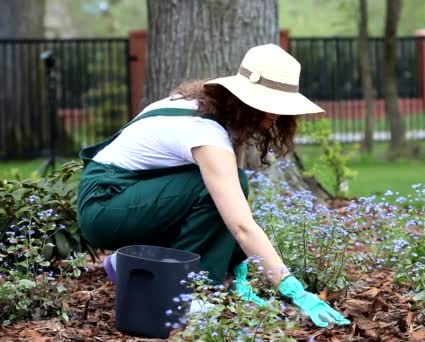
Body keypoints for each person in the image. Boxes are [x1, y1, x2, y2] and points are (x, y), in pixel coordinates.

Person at [77, 43, 350, 328]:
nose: (275, 119)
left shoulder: (212, 114)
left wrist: (237, 264)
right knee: (211, 190)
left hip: (128, 197)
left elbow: (231, 206)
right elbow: (241, 225)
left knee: (228, 188)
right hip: (106, 204)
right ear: (248, 103)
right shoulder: (205, 133)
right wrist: (294, 290)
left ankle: (136, 263)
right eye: (271, 108)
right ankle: (191, 294)